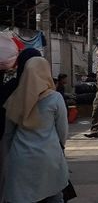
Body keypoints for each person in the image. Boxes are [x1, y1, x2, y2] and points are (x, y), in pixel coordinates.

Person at [3, 57, 69, 202]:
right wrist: (61, 148)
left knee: (22, 197)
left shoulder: (15, 98)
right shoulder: (55, 98)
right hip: (49, 156)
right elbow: (62, 130)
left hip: (20, 158)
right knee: (53, 194)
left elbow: (8, 134)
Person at [0, 48, 42, 202]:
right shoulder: (49, 92)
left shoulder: (11, 86)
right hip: (43, 149)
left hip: (13, 145)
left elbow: (8, 128)